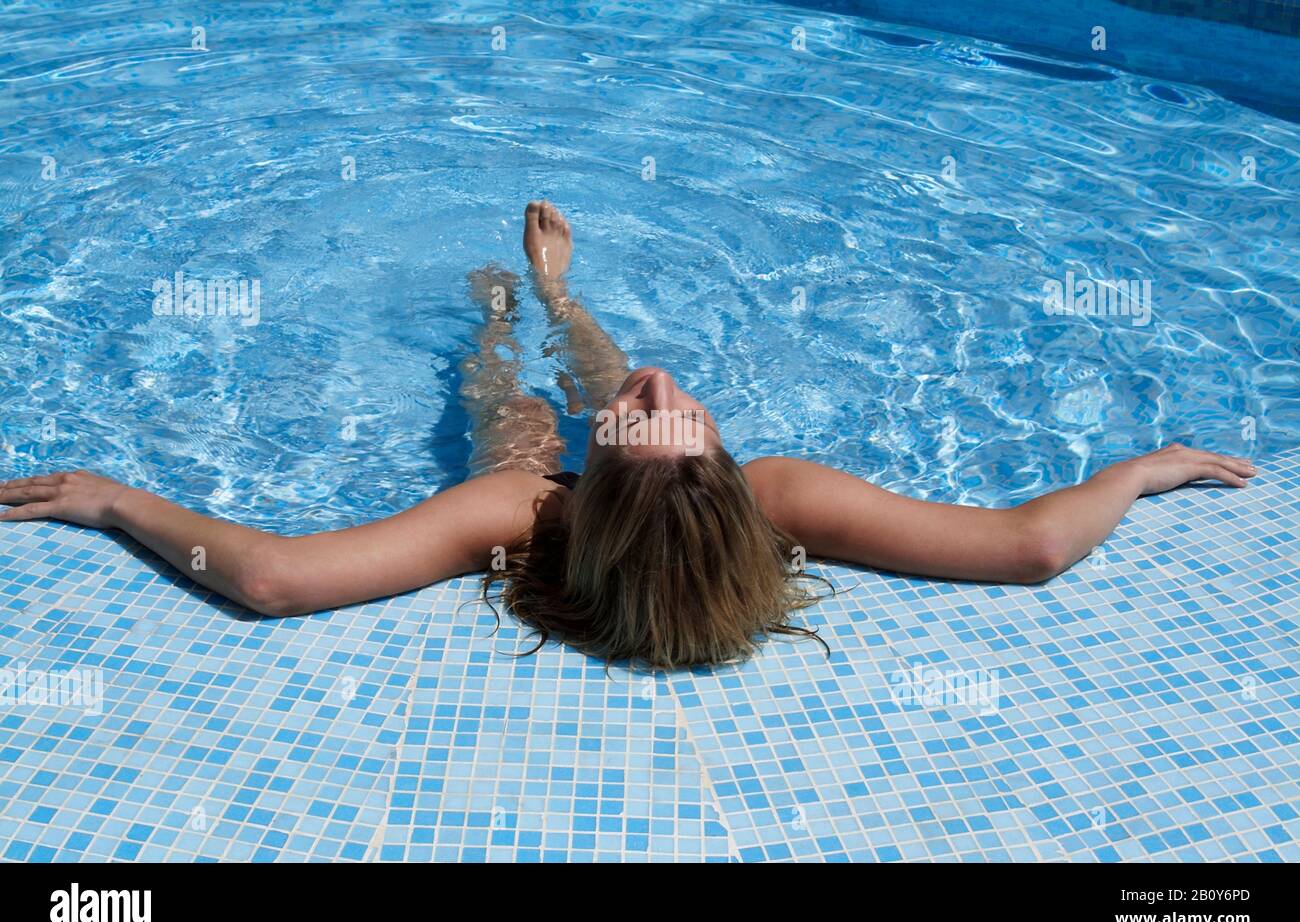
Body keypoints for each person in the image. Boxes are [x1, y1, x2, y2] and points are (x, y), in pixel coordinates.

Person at [0, 202, 1259, 669]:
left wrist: (117, 500)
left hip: (553, 496)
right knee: (587, 394)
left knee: (512, 417)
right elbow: (1037, 545)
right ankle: (558, 294)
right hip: (645, 503)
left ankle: (505, 317)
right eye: (678, 413)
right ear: (717, 473)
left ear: (586, 493)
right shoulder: (772, 493)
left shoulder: (529, 510)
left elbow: (272, 578)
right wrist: (1139, 470)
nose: (661, 381)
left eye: (643, 414)